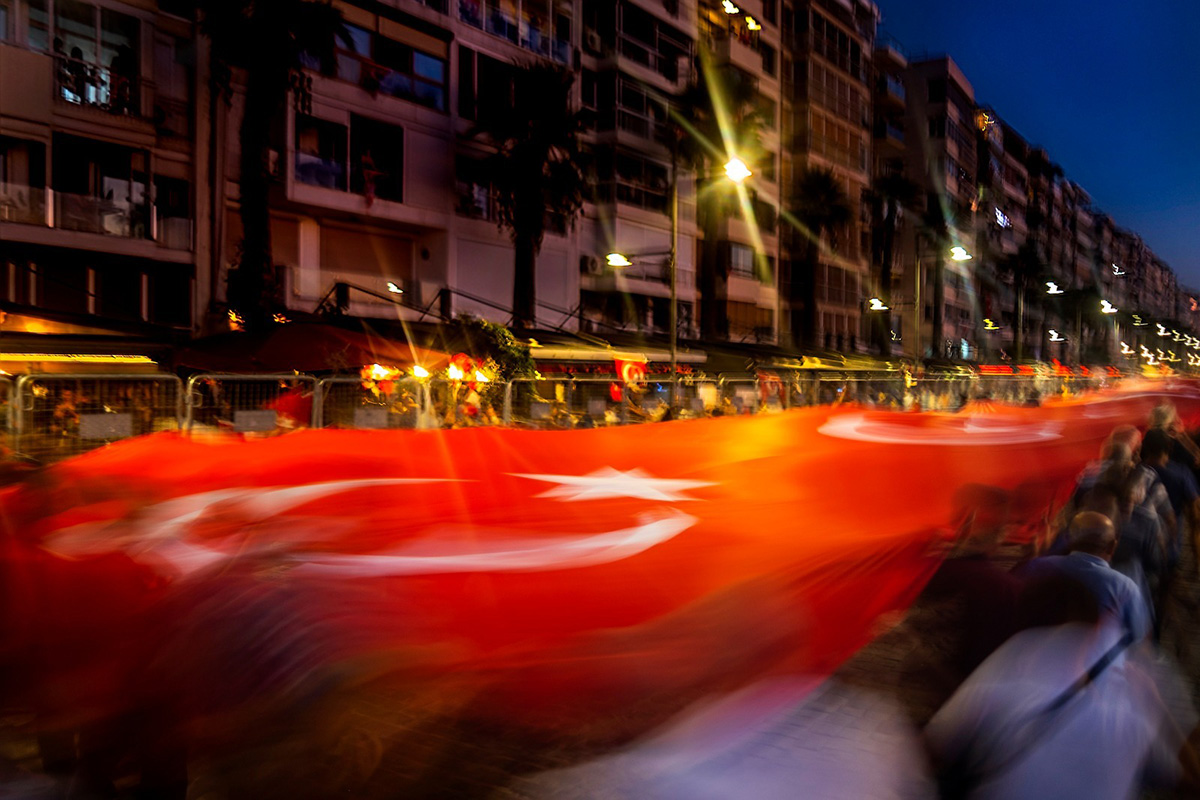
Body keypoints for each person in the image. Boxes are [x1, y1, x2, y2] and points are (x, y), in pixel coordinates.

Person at [926, 573, 1199, 799]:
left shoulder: (998, 676)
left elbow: (932, 748)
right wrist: (1155, 703)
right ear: (1092, 634)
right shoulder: (1126, 713)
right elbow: (1191, 782)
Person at [1018, 510, 1152, 641]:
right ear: (1112, 547)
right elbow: (1140, 638)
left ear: (1067, 539)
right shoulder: (1125, 587)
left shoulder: (1036, 567)